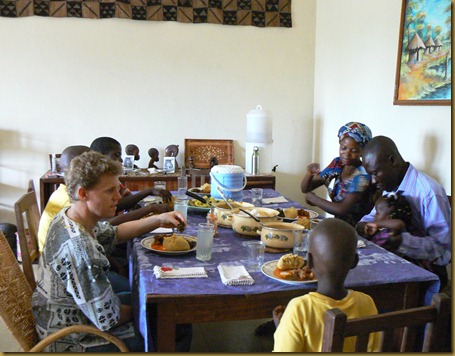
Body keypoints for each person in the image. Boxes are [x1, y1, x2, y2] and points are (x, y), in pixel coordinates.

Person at [32, 151, 186, 352]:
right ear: (83, 194)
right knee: (173, 320)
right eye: (109, 191)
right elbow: (109, 318)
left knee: (153, 300)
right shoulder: (80, 249)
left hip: (70, 314)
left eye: (118, 188)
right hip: (73, 339)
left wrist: (158, 219)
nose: (118, 196)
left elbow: (114, 233)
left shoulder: (69, 218)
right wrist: (152, 312)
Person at [356, 136, 451, 291]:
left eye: (375, 173)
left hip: (427, 272)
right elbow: (367, 220)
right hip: (395, 261)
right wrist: (364, 226)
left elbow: (441, 248)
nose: (373, 181)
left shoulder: (429, 193)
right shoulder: (390, 187)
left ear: (392, 161)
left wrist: (401, 243)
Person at [273, 218, 380, 352]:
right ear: (354, 262)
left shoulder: (299, 309)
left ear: (309, 261)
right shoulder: (366, 303)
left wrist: (283, 327)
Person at [301, 122, 376, 227]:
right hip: (339, 225)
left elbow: (342, 209)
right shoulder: (337, 164)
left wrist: (314, 199)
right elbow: (306, 188)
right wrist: (309, 173)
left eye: (354, 150)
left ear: (362, 151)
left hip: (358, 230)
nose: (347, 153)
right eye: (343, 148)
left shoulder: (363, 175)